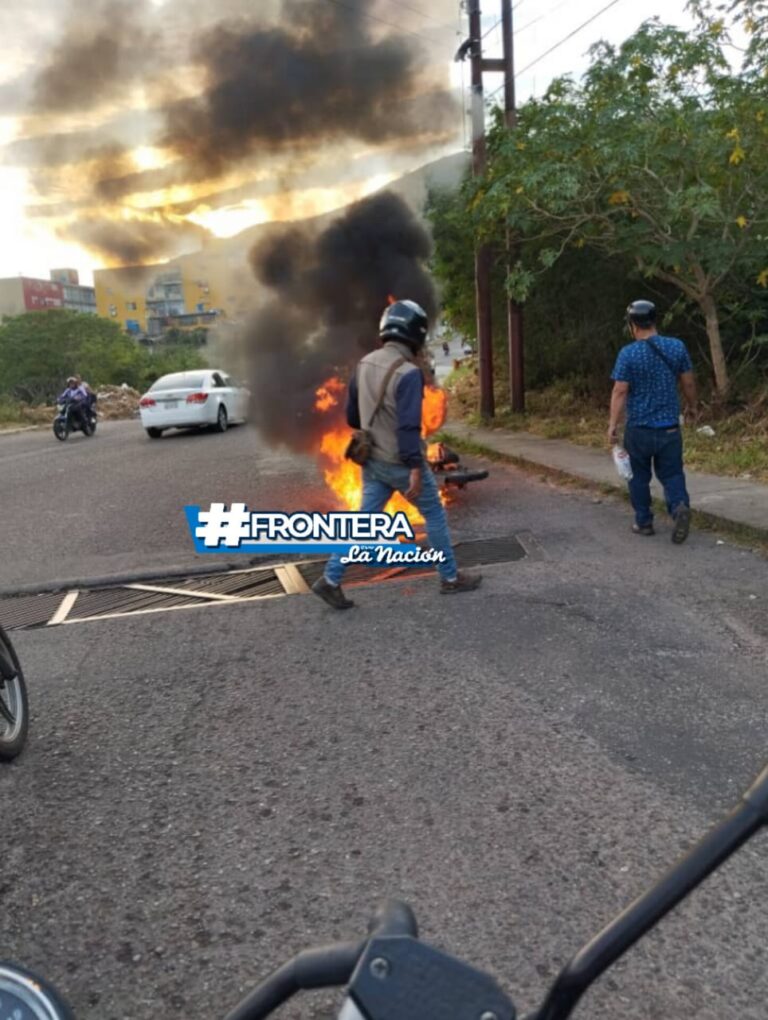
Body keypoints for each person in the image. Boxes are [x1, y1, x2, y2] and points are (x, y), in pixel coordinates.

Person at [312, 299, 482, 610]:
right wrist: (415, 468)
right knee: (434, 515)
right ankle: (450, 578)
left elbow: (352, 417)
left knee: (363, 522)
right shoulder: (408, 373)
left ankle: (331, 579)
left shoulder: (363, 365)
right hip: (400, 462)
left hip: (371, 462)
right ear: (415, 334)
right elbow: (408, 428)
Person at [608, 300, 698, 543]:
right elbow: (688, 382)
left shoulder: (628, 353)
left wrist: (613, 424)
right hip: (669, 428)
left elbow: (620, 391)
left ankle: (644, 521)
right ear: (654, 320)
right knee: (672, 474)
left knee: (638, 477)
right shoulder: (676, 347)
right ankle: (679, 507)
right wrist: (692, 407)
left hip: (638, 429)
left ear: (633, 325)